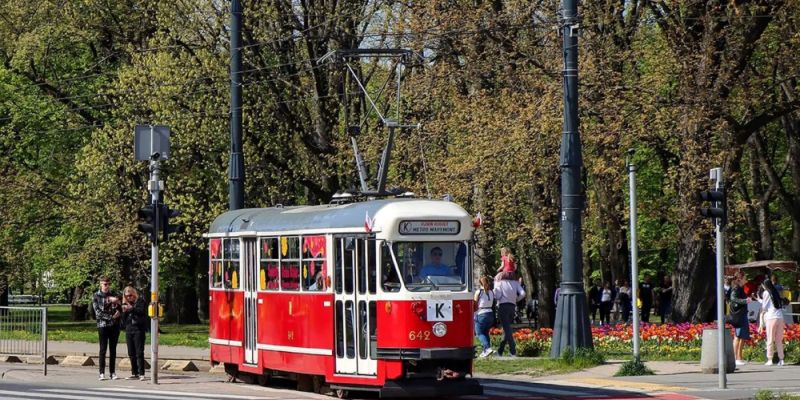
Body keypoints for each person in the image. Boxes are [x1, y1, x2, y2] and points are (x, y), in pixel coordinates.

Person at [92, 276, 121, 381]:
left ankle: (112, 372)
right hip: (102, 325)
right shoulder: (96, 295)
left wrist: (118, 310)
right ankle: (101, 373)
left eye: (108, 284)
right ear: (100, 284)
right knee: (103, 349)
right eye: (105, 284)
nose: (106, 286)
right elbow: (98, 312)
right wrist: (111, 317)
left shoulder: (114, 294)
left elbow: (120, 306)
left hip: (114, 326)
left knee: (113, 350)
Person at [492, 274, 525, 357]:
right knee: (506, 329)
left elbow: (497, 296)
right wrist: (516, 299)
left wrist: (495, 284)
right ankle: (500, 351)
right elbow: (523, 293)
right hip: (512, 307)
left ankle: (513, 351)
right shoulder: (515, 283)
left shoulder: (500, 282)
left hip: (503, 306)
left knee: (507, 329)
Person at [121, 286, 148, 380]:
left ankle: (141, 373)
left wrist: (131, 308)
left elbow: (142, 312)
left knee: (139, 352)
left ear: (134, 294)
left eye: (130, 295)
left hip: (138, 329)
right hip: (129, 329)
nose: (129, 297)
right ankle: (134, 372)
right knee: (131, 352)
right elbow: (123, 320)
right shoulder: (125, 303)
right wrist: (124, 311)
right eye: (127, 296)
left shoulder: (140, 301)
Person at [758, 279, 785, 366]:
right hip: (780, 317)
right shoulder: (775, 291)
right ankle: (781, 359)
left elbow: (764, 307)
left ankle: (770, 359)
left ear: (764, 285)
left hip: (771, 317)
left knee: (770, 339)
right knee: (779, 340)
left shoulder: (766, 292)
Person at [730, 271, 752, 366]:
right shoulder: (736, 288)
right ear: (740, 279)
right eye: (744, 278)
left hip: (742, 314)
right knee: (738, 336)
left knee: (741, 336)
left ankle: (739, 357)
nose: (746, 280)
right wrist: (745, 301)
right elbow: (733, 298)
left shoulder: (740, 288)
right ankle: (736, 357)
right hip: (739, 315)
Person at [473, 276, 495, 358]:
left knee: (479, 333)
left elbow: (475, 303)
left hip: (481, 313)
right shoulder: (491, 292)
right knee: (485, 332)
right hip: (490, 313)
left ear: (480, 283)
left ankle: (487, 348)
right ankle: (486, 350)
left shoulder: (479, 292)